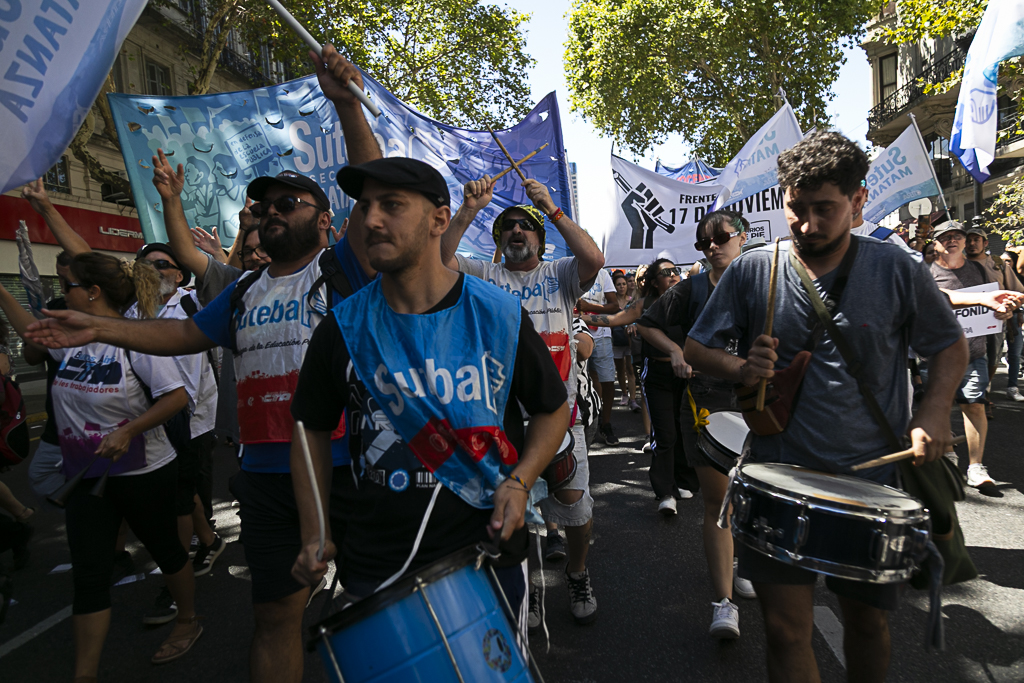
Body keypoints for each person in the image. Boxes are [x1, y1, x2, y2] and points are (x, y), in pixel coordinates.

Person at [25, 44, 387, 683]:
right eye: (263, 208)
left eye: (288, 205)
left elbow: (377, 188)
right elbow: (183, 334)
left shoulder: (346, 270)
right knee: (274, 617)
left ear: (327, 220)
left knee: (375, 611)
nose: (271, 214)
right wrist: (98, 325)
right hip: (267, 477)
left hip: (352, 468)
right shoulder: (242, 291)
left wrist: (346, 106)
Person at [684, 131, 969, 683]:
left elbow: (949, 346)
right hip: (776, 477)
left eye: (825, 209)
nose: (809, 224)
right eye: (797, 209)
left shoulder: (896, 268)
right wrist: (741, 368)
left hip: (871, 485)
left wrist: (933, 413)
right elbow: (697, 348)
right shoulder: (753, 269)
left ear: (858, 201)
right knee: (784, 631)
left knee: (867, 625)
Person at [288, 157, 569, 642]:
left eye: (392, 205)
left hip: (487, 550)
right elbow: (309, 426)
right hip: (375, 562)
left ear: (440, 219)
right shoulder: (342, 327)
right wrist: (315, 531)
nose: (371, 219)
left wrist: (521, 482)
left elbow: (552, 408)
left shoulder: (498, 313)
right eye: (365, 206)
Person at [7, 253, 201, 676]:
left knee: (166, 550)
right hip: (85, 475)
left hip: (144, 472)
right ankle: (85, 673)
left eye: (68, 286)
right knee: (90, 573)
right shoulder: (69, 336)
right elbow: (31, 334)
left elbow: (176, 396)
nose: (62, 294)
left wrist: (129, 431)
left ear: (93, 291)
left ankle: (187, 620)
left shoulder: (136, 338)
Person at [441, 173, 605, 624]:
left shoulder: (560, 274)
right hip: (502, 423)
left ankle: (577, 571)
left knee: (575, 506)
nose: (517, 230)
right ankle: (529, 585)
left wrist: (550, 207)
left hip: (561, 417)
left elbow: (594, 258)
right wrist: (468, 210)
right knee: (517, 509)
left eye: (526, 226)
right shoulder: (484, 276)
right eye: (508, 226)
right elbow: (437, 261)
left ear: (541, 240)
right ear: (499, 240)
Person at [636, 210, 756, 639]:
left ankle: (744, 560)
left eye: (721, 237)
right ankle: (723, 602)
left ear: (742, 237)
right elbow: (647, 324)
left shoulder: (764, 282)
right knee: (718, 502)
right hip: (706, 402)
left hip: (760, 404)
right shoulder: (688, 289)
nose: (712, 247)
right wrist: (675, 351)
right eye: (704, 242)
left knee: (753, 496)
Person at [585, 257, 700, 503]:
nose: (673, 275)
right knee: (665, 433)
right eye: (666, 272)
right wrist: (579, 318)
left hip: (686, 376)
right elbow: (614, 320)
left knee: (685, 429)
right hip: (657, 375)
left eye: (675, 271)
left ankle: (683, 480)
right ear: (654, 282)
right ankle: (665, 492)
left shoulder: (690, 301)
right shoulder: (644, 305)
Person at [929, 220, 1010, 488]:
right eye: (945, 236)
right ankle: (948, 455)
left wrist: (1002, 312)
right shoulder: (925, 272)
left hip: (973, 351)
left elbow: (991, 304)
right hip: (936, 355)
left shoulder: (977, 269)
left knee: (975, 405)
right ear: (935, 243)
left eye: (958, 236)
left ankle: (976, 467)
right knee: (940, 407)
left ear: (965, 241)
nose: (952, 240)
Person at [577, 269, 620, 444]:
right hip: (576, 333)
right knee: (584, 379)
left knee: (607, 380)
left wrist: (589, 307)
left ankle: (605, 423)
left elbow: (614, 306)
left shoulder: (602, 274)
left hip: (601, 335)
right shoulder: (567, 269)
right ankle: (589, 419)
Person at [610, 272, 640, 411]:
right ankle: (624, 393)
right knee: (620, 370)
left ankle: (633, 399)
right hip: (616, 340)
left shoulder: (633, 301)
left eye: (623, 284)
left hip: (630, 340)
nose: (622, 286)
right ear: (614, 286)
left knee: (631, 369)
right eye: (619, 284)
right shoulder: (611, 303)